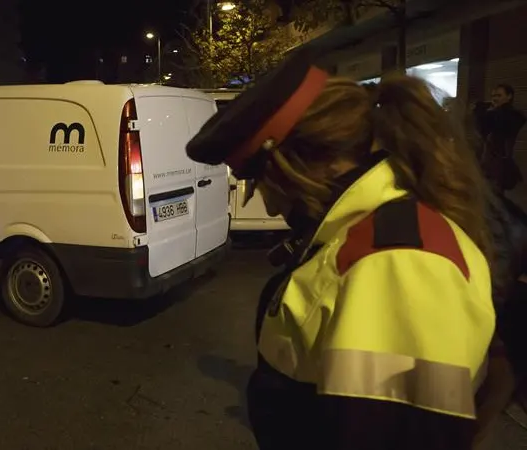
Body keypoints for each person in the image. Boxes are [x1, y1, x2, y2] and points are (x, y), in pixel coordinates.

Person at [186, 52, 495, 449]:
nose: (270, 206)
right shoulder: (366, 236)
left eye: (263, 181)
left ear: (302, 164)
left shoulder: (397, 265)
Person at [474, 84, 526, 192]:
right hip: (489, 160)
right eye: (493, 96)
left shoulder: (515, 115)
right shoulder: (491, 112)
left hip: (502, 163)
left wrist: (492, 113)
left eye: (499, 95)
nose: (495, 98)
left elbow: (506, 130)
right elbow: (482, 131)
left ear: (509, 96)